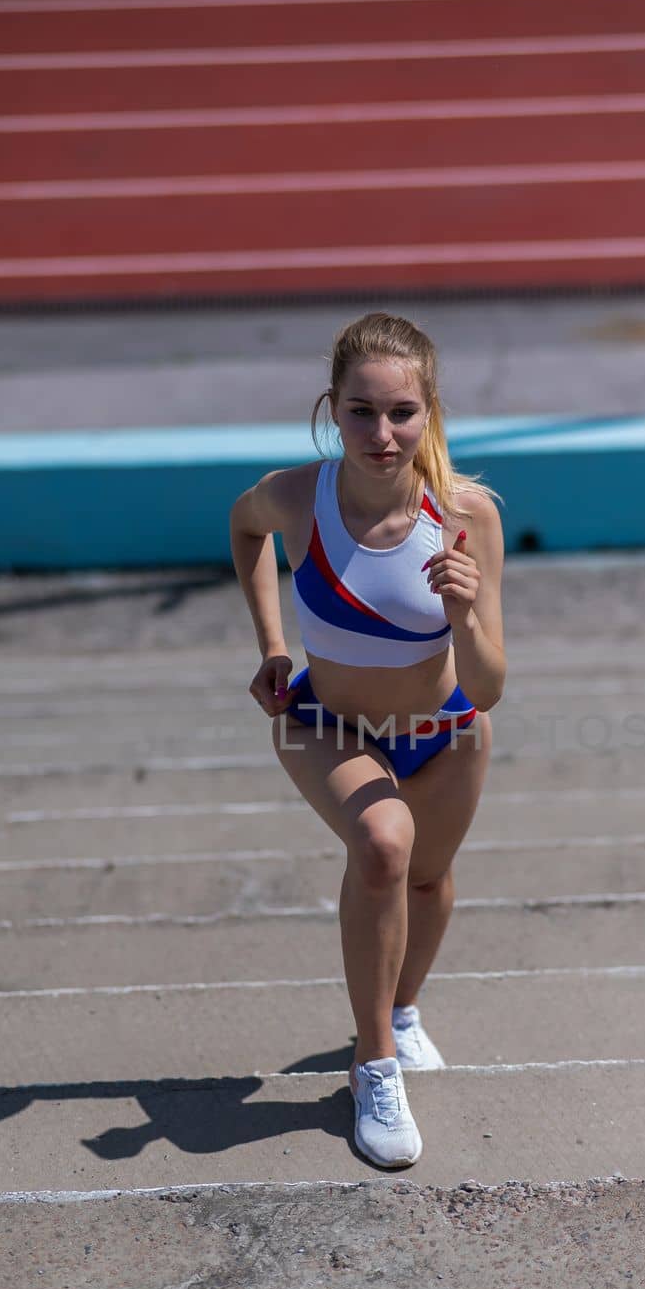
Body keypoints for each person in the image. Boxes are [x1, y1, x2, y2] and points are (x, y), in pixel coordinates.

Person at [230, 312, 506, 1169]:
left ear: (429, 414)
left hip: (445, 734)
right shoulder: (297, 497)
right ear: (332, 409)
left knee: (427, 884)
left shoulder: (465, 515)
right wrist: (272, 645)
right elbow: (244, 530)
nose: (379, 434)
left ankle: (406, 1008)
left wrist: (462, 615)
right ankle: (373, 1060)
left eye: (400, 413)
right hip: (326, 725)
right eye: (360, 412)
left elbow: (488, 684)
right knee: (384, 847)